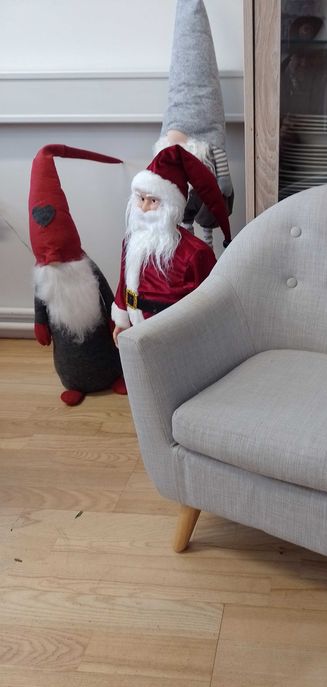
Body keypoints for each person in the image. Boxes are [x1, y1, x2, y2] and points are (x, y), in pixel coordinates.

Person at [29, 144, 126, 406]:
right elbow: (40, 303)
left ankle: (115, 375)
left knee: (106, 351)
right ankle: (75, 384)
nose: (54, 258)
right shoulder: (44, 277)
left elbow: (106, 294)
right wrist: (40, 324)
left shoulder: (86, 267)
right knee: (68, 360)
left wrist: (115, 320)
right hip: (67, 354)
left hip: (103, 348)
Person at [111, 144, 231, 345]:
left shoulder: (195, 253)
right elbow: (124, 282)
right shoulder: (131, 241)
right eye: (141, 198)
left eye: (153, 201)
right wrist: (122, 320)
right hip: (135, 333)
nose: (144, 207)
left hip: (174, 339)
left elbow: (209, 303)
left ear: (171, 207)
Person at [154, 0, 234, 248]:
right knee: (184, 215)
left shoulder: (206, 145)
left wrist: (224, 180)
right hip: (184, 196)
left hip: (204, 192)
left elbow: (217, 152)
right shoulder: (170, 153)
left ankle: (207, 246)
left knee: (207, 215)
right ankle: (187, 240)